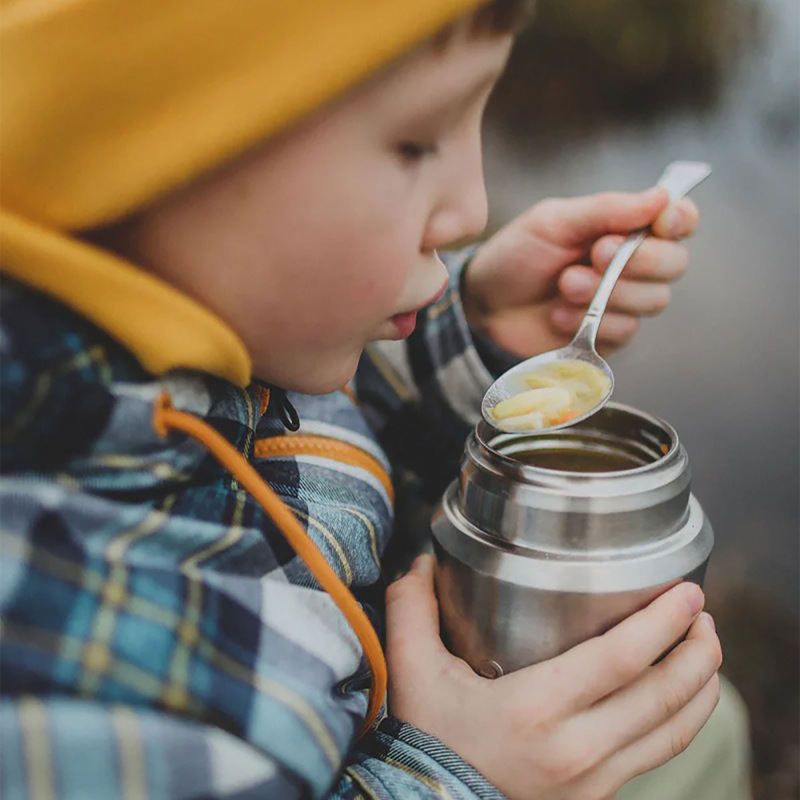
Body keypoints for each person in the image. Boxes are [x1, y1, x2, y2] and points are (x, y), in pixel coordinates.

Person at [0, 0, 747, 798]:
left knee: (714, 729)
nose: (472, 209)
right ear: (143, 147)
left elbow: (284, 434)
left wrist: (473, 334)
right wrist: (452, 780)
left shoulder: (207, 330)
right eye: (418, 140)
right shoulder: (49, 644)